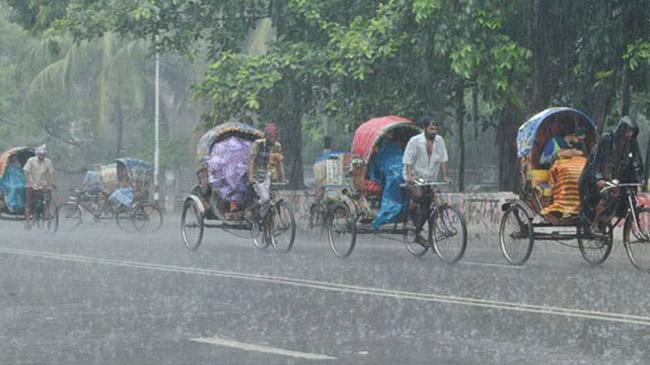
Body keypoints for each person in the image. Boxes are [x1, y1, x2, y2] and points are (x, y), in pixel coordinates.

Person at [579, 116, 644, 229]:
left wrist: (638, 180)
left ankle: (609, 218)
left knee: (627, 198)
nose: (629, 135)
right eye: (628, 131)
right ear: (622, 129)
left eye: (632, 132)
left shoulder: (631, 143)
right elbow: (597, 161)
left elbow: (636, 162)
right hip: (596, 176)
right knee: (606, 196)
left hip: (616, 178)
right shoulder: (607, 139)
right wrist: (598, 178)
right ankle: (595, 222)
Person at [402, 116, 450, 243]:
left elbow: (444, 159)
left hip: (429, 177)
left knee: (427, 207)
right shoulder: (415, 141)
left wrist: (445, 176)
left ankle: (418, 231)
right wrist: (410, 176)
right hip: (414, 174)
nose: (434, 132)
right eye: (431, 129)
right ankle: (410, 218)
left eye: (436, 129)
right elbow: (408, 159)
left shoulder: (440, 141)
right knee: (418, 194)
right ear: (424, 128)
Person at [247, 122, 285, 219]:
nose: (273, 138)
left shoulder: (277, 146)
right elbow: (252, 161)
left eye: (274, 136)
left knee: (270, 200)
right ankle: (250, 210)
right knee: (265, 198)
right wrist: (250, 177)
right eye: (271, 136)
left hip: (268, 174)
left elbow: (280, 162)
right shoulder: (258, 144)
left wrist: (283, 177)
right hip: (257, 175)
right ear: (266, 136)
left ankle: (265, 223)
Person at [23, 144, 55, 228]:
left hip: (42, 184)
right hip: (31, 184)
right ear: (37, 154)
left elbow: (51, 173)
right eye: (40, 154)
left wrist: (52, 183)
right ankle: (27, 222)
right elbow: (26, 172)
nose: (42, 156)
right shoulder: (31, 160)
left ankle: (46, 212)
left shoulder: (48, 161)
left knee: (48, 197)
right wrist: (31, 182)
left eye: (43, 154)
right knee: (28, 203)